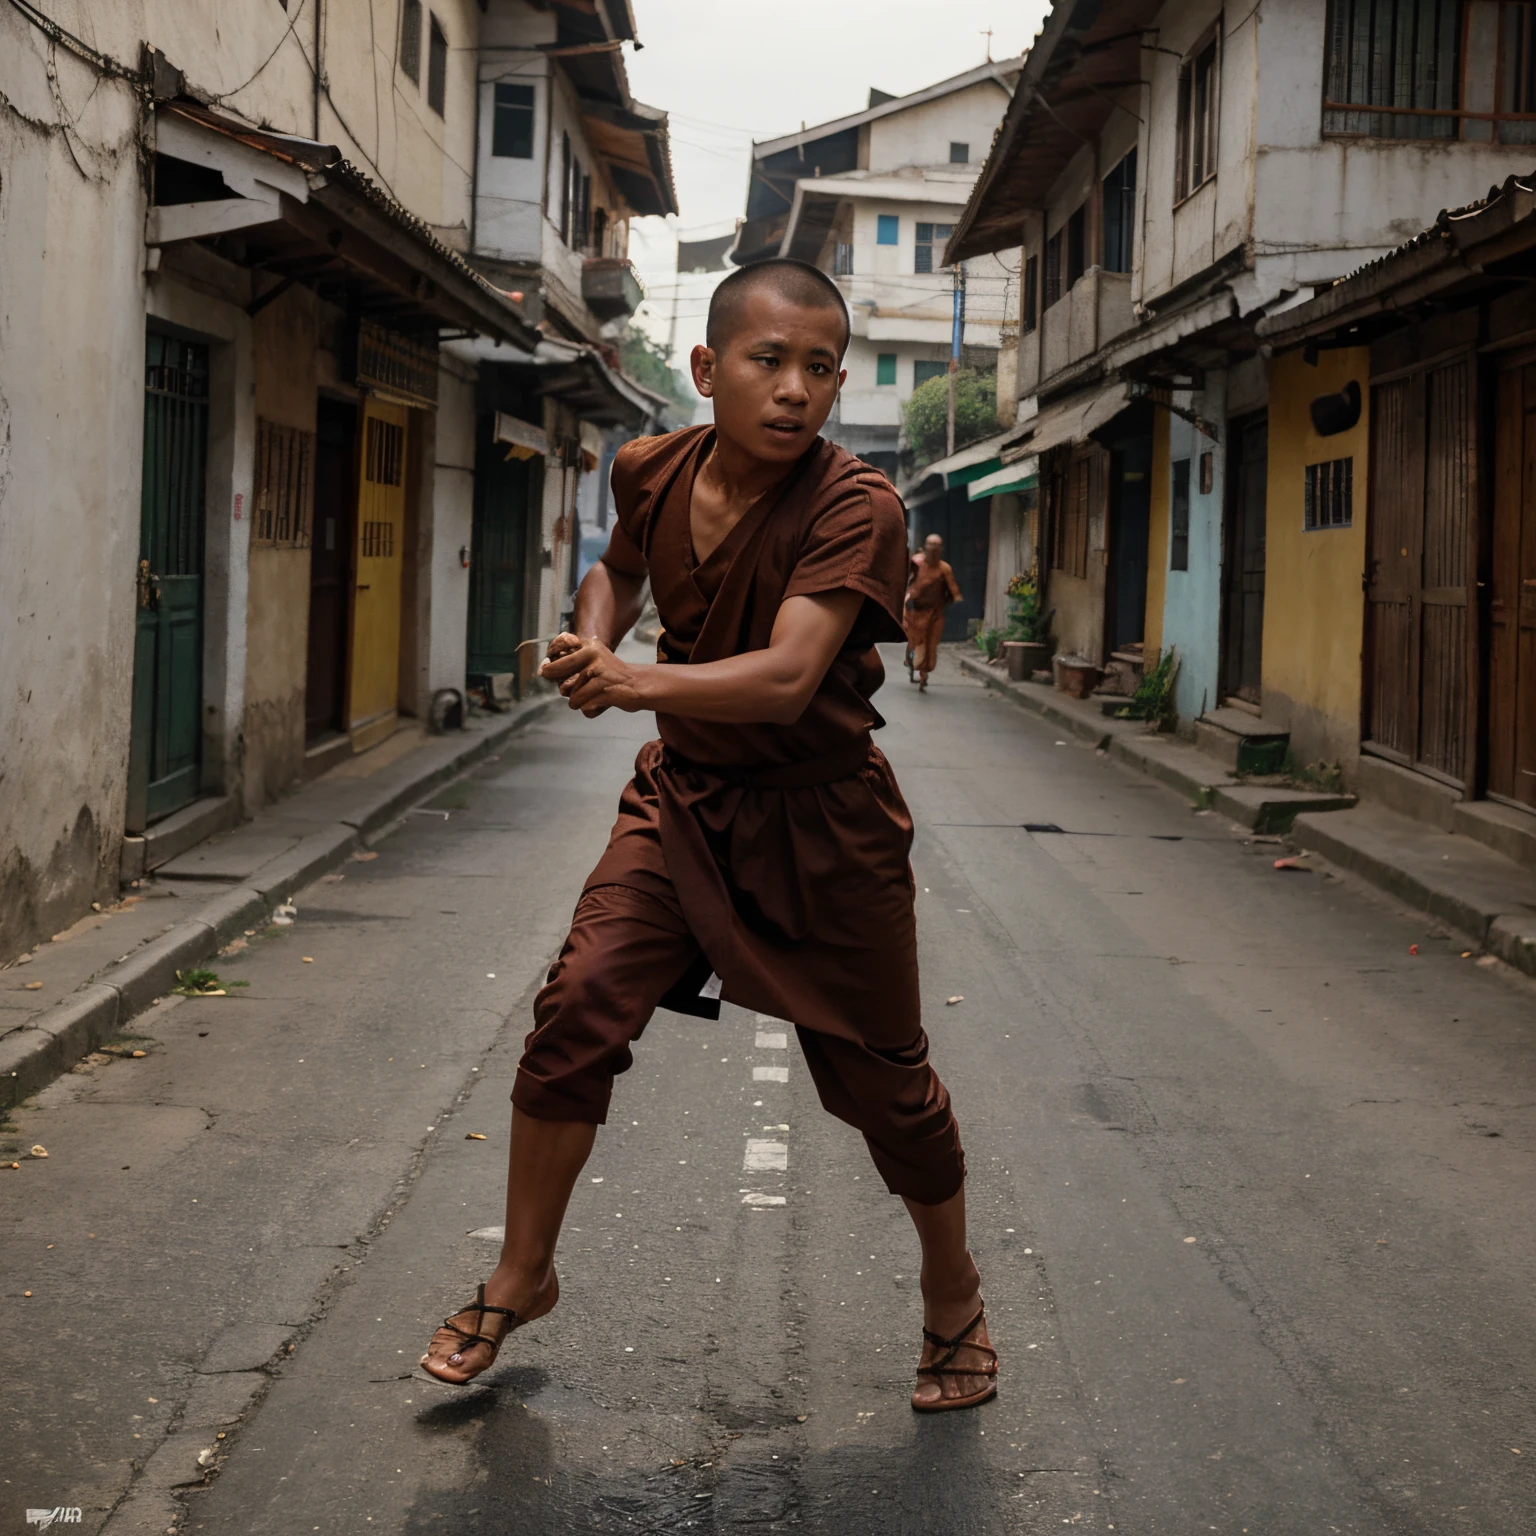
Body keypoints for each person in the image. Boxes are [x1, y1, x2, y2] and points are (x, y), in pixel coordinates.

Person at [420, 258, 996, 1413]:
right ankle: (522, 1271)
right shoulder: (652, 464)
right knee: (578, 1005)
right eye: (767, 360)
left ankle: (953, 1292)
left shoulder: (856, 506)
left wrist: (631, 684)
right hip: (685, 798)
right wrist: (593, 641)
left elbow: (789, 678)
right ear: (706, 368)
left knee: (887, 1087)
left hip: (826, 820)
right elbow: (619, 569)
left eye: (819, 368)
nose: (794, 388)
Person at [903, 534, 961, 692]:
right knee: (916, 642)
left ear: (941, 549)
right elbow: (905, 580)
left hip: (935, 612)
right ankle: (911, 659)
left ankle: (923, 675)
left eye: (937, 546)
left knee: (930, 645)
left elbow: (953, 589)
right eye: (931, 545)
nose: (933, 550)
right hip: (916, 610)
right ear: (925, 546)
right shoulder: (916, 562)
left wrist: (956, 600)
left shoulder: (944, 568)